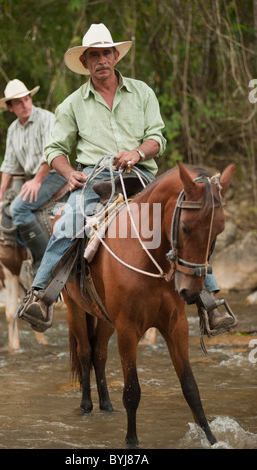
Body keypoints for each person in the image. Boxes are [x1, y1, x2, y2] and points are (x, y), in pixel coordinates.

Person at [19, 23, 234, 333]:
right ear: (85, 62)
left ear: (116, 55)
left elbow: (157, 138)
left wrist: (136, 152)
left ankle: (210, 301)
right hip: (95, 180)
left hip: (142, 176)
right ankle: (41, 296)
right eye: (93, 55)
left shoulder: (142, 92)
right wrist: (68, 172)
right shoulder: (72, 104)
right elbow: (54, 149)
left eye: (106, 53)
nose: (101, 60)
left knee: (187, 219)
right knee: (68, 222)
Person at [0, 79, 67, 273]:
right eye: (18, 102)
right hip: (34, 176)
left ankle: (44, 260)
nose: (25, 104)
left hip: (55, 173)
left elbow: (51, 154)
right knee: (6, 206)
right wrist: (0, 194)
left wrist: (37, 180)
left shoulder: (46, 119)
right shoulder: (13, 130)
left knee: (18, 208)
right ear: (10, 107)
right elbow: (9, 165)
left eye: (27, 99)